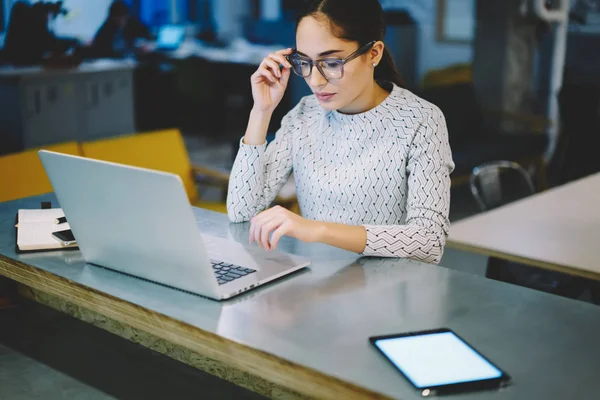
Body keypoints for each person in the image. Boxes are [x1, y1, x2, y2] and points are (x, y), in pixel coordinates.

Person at [227, 0, 454, 263]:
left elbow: (428, 240)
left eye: (332, 63)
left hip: (388, 288)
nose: (315, 80)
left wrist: (319, 230)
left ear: (374, 53)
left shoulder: (420, 120)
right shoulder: (304, 115)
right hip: (317, 284)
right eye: (305, 63)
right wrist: (261, 111)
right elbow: (241, 212)